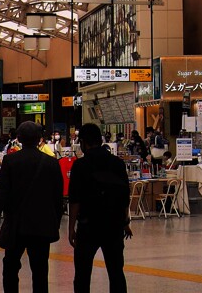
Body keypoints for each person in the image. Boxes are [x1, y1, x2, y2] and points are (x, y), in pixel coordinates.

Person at [0, 121, 64, 293]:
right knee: (40, 271)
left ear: (19, 138)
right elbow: (58, 198)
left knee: (11, 268)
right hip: (42, 226)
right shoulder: (52, 163)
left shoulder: (10, 161)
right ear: (39, 139)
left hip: (16, 225)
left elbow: (1, 193)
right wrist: (55, 223)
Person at [68, 123, 131, 293]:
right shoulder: (117, 163)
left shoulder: (80, 166)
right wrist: (125, 221)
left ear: (83, 142)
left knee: (82, 272)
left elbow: (75, 200)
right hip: (114, 224)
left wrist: (71, 228)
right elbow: (125, 195)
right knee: (116, 271)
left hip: (88, 225)